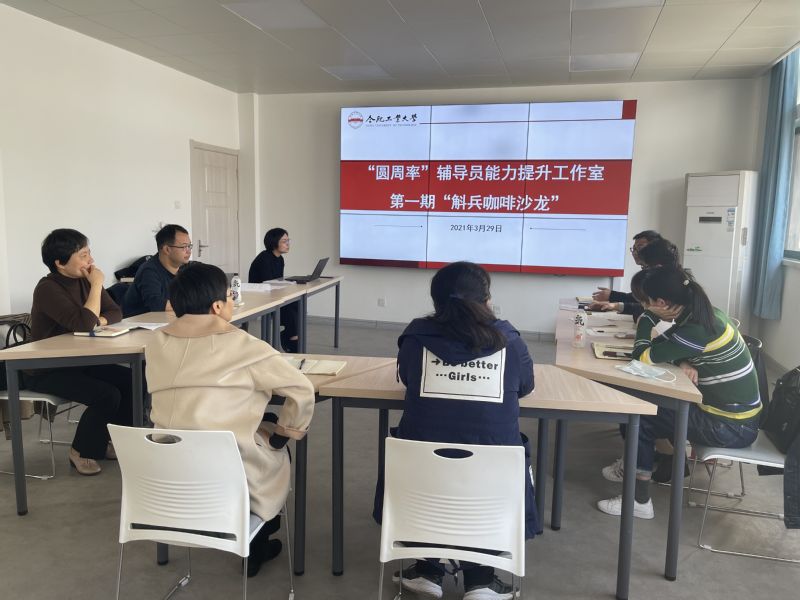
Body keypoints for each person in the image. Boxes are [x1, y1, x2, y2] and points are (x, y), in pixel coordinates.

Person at [373, 261, 537, 600]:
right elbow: (525, 386)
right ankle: (481, 579)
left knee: (432, 459)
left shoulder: (416, 339)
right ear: (487, 299)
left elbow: (407, 379)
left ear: (436, 301)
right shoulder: (510, 341)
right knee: (483, 462)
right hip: (493, 478)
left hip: (419, 475)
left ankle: (428, 569)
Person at [144, 262, 315, 577]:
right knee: (276, 443)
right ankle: (257, 542)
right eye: (230, 296)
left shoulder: (154, 343)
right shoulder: (245, 346)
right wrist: (283, 433)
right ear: (217, 306)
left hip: (167, 476)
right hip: (229, 473)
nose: (233, 301)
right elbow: (302, 390)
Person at [597, 266, 761, 519]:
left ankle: (639, 501)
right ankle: (639, 468)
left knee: (641, 416)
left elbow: (642, 356)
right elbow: (662, 347)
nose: (645, 306)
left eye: (647, 302)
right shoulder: (705, 315)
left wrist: (646, 320)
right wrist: (682, 360)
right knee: (647, 406)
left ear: (661, 303)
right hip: (735, 418)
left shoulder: (696, 328)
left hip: (730, 426)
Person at [26, 229, 133, 476]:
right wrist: (96, 285)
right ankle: (81, 451)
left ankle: (108, 440)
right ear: (60, 263)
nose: (91, 260)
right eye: (83, 255)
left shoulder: (84, 280)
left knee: (132, 380)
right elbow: (84, 323)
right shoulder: (47, 288)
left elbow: (115, 311)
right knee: (106, 395)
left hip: (79, 361)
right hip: (47, 368)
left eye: (89, 253)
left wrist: (98, 319)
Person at [590, 237, 681, 319]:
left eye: (646, 267)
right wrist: (614, 305)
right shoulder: (671, 280)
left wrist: (615, 303)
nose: (645, 271)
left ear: (658, 266)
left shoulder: (672, 288)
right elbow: (641, 302)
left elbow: (644, 312)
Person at [122, 224, 192, 317]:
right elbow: (156, 304)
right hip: (139, 323)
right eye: (184, 247)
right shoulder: (149, 270)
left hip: (166, 319)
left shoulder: (186, 267)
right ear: (167, 249)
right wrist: (192, 304)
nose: (189, 251)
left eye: (189, 246)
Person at [248, 227, 299, 352]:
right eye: (284, 241)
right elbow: (268, 283)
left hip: (273, 294)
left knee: (297, 303)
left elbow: (277, 282)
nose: (288, 244)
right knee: (290, 310)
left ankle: (291, 336)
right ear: (274, 242)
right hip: (260, 297)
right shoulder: (264, 258)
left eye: (288, 240)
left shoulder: (280, 258)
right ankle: (291, 339)